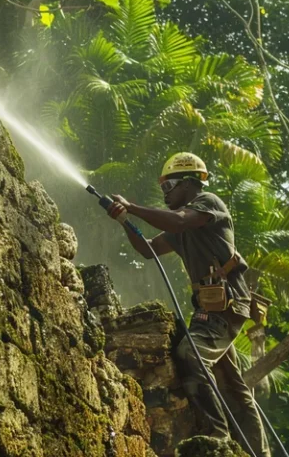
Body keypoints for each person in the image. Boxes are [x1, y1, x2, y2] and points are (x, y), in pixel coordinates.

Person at [106, 152, 270, 457]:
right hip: (210, 308)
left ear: (188, 184)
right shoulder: (180, 229)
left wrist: (132, 206)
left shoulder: (209, 204)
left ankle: (218, 436)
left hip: (227, 304)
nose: (165, 194)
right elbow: (149, 250)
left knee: (191, 356)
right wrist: (125, 220)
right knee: (233, 385)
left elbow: (181, 221)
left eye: (169, 187)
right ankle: (259, 453)